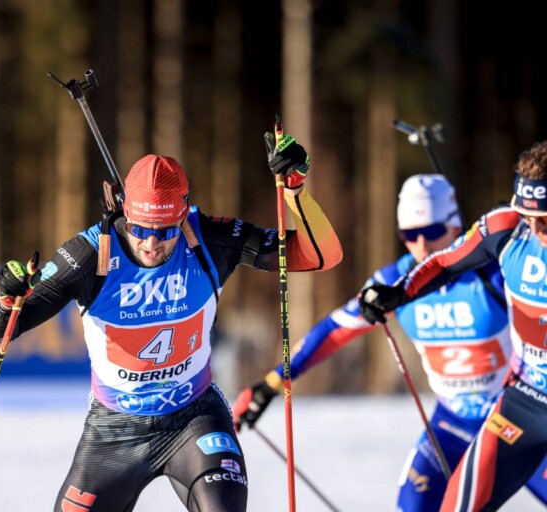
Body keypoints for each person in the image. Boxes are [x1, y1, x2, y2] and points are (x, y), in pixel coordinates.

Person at [0, 133, 342, 512]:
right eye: (139, 230)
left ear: (183, 216)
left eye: (165, 232)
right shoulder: (90, 255)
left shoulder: (209, 239)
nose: (151, 245)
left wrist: (295, 190)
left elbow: (320, 256)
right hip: (114, 428)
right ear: (124, 212)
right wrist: (6, 301)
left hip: (194, 417)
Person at [232, 173, 547, 511]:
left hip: (513, 421)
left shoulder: (492, 273)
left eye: (433, 231)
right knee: (412, 505)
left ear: (456, 226)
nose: (422, 245)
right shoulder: (395, 283)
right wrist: (272, 383)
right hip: (451, 426)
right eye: (410, 234)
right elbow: (335, 330)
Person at [359, 140, 547, 511]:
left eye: (545, 217)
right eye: (529, 216)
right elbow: (445, 262)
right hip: (523, 403)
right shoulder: (508, 228)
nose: (536, 227)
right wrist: (399, 293)